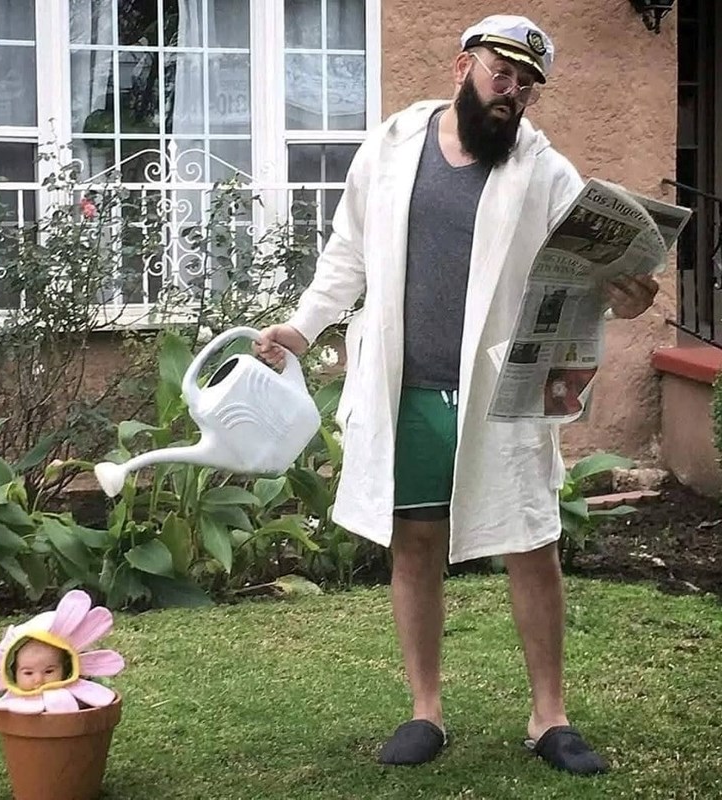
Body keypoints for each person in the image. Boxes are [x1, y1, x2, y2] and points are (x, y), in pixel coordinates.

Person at [255, 14, 658, 775]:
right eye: (502, 74)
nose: (513, 93)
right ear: (462, 66)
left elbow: (584, 276)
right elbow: (348, 252)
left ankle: (549, 717)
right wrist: (302, 330)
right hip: (404, 386)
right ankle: (425, 711)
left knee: (531, 544)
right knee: (414, 542)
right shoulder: (391, 146)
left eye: (528, 86)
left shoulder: (546, 171)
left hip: (502, 390)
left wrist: (624, 295)